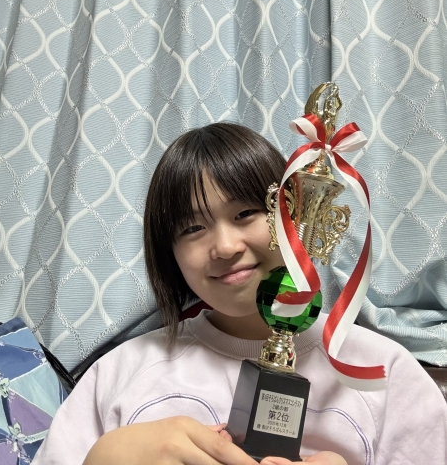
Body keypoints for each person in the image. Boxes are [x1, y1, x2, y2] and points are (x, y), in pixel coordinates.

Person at [33, 123, 447, 465]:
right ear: (168, 253)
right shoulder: (120, 372)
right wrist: (105, 457)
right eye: (193, 228)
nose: (226, 246)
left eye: (246, 213)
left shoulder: (384, 371)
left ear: (293, 215)